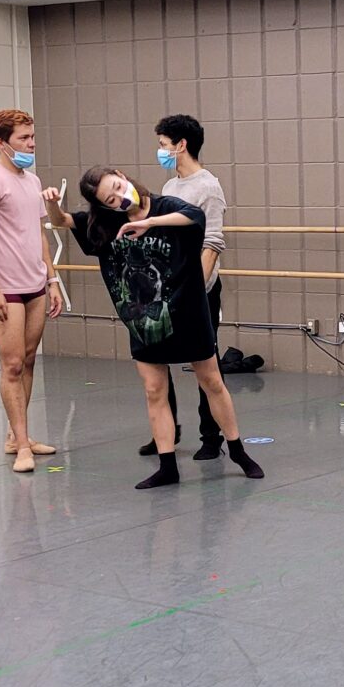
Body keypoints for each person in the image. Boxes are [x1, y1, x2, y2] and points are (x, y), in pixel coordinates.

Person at [75, 165, 266, 489]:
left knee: (212, 381)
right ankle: (167, 466)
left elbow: (194, 217)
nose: (120, 197)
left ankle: (237, 450)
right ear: (104, 206)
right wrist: (52, 205)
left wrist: (149, 222)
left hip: (189, 311)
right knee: (154, 390)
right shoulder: (109, 225)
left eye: (118, 186)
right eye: (111, 198)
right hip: (146, 323)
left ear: (123, 176)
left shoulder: (167, 206)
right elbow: (65, 221)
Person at [0, 108, 65, 474]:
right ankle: (21, 445)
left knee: (27, 358)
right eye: (23, 139)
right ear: (1, 143)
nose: (31, 144)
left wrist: (51, 279)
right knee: (10, 365)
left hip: (34, 284)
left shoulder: (31, 180)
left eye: (32, 137)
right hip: (4, 288)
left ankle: (16, 434)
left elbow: (37, 233)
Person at [137, 114, 229, 462]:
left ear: (181, 145)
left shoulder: (208, 186)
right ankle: (167, 430)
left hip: (198, 290)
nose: (159, 151)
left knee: (205, 364)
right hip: (168, 288)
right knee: (158, 359)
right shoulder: (171, 187)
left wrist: (197, 290)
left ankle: (211, 436)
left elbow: (212, 242)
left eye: (163, 145)